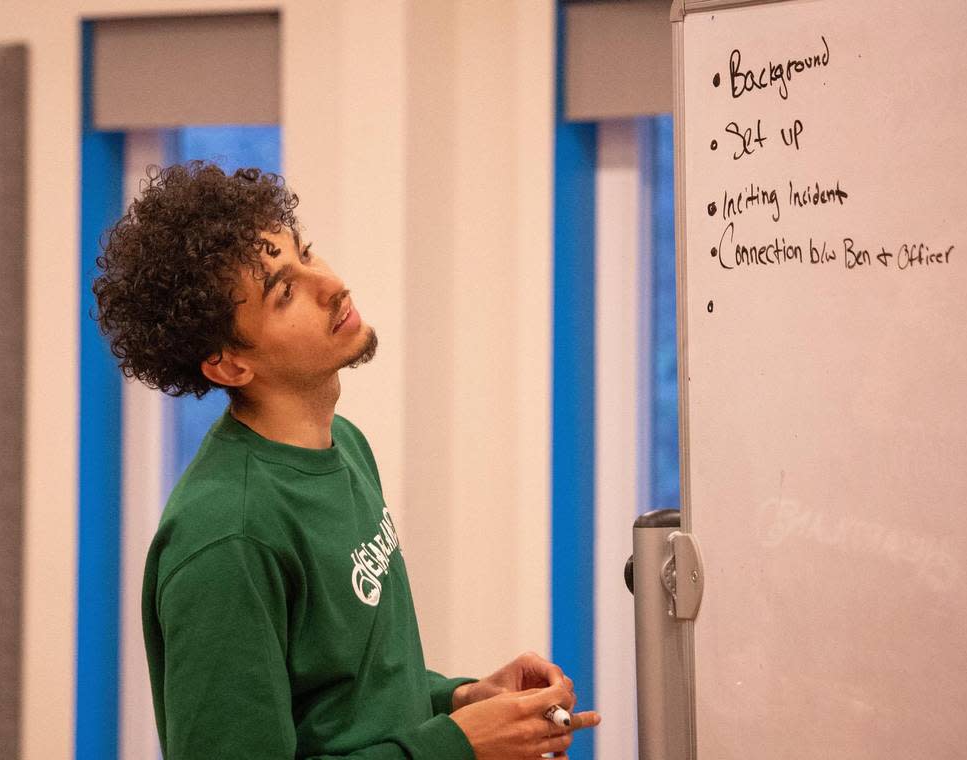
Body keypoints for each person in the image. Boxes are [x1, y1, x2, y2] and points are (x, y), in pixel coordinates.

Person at [92, 161, 600, 759]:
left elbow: (348, 702)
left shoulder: (346, 445)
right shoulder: (228, 536)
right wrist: (457, 748)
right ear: (229, 365)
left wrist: (458, 702)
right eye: (285, 292)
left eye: (306, 253)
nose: (329, 284)